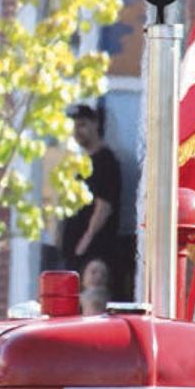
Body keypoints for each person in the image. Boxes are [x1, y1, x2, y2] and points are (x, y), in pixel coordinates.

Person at [59, 103, 122, 288]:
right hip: (74, 252)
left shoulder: (106, 161)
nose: (77, 131)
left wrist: (86, 240)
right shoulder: (79, 163)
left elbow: (104, 206)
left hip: (94, 252)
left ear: (95, 124)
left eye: (82, 125)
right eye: (74, 126)